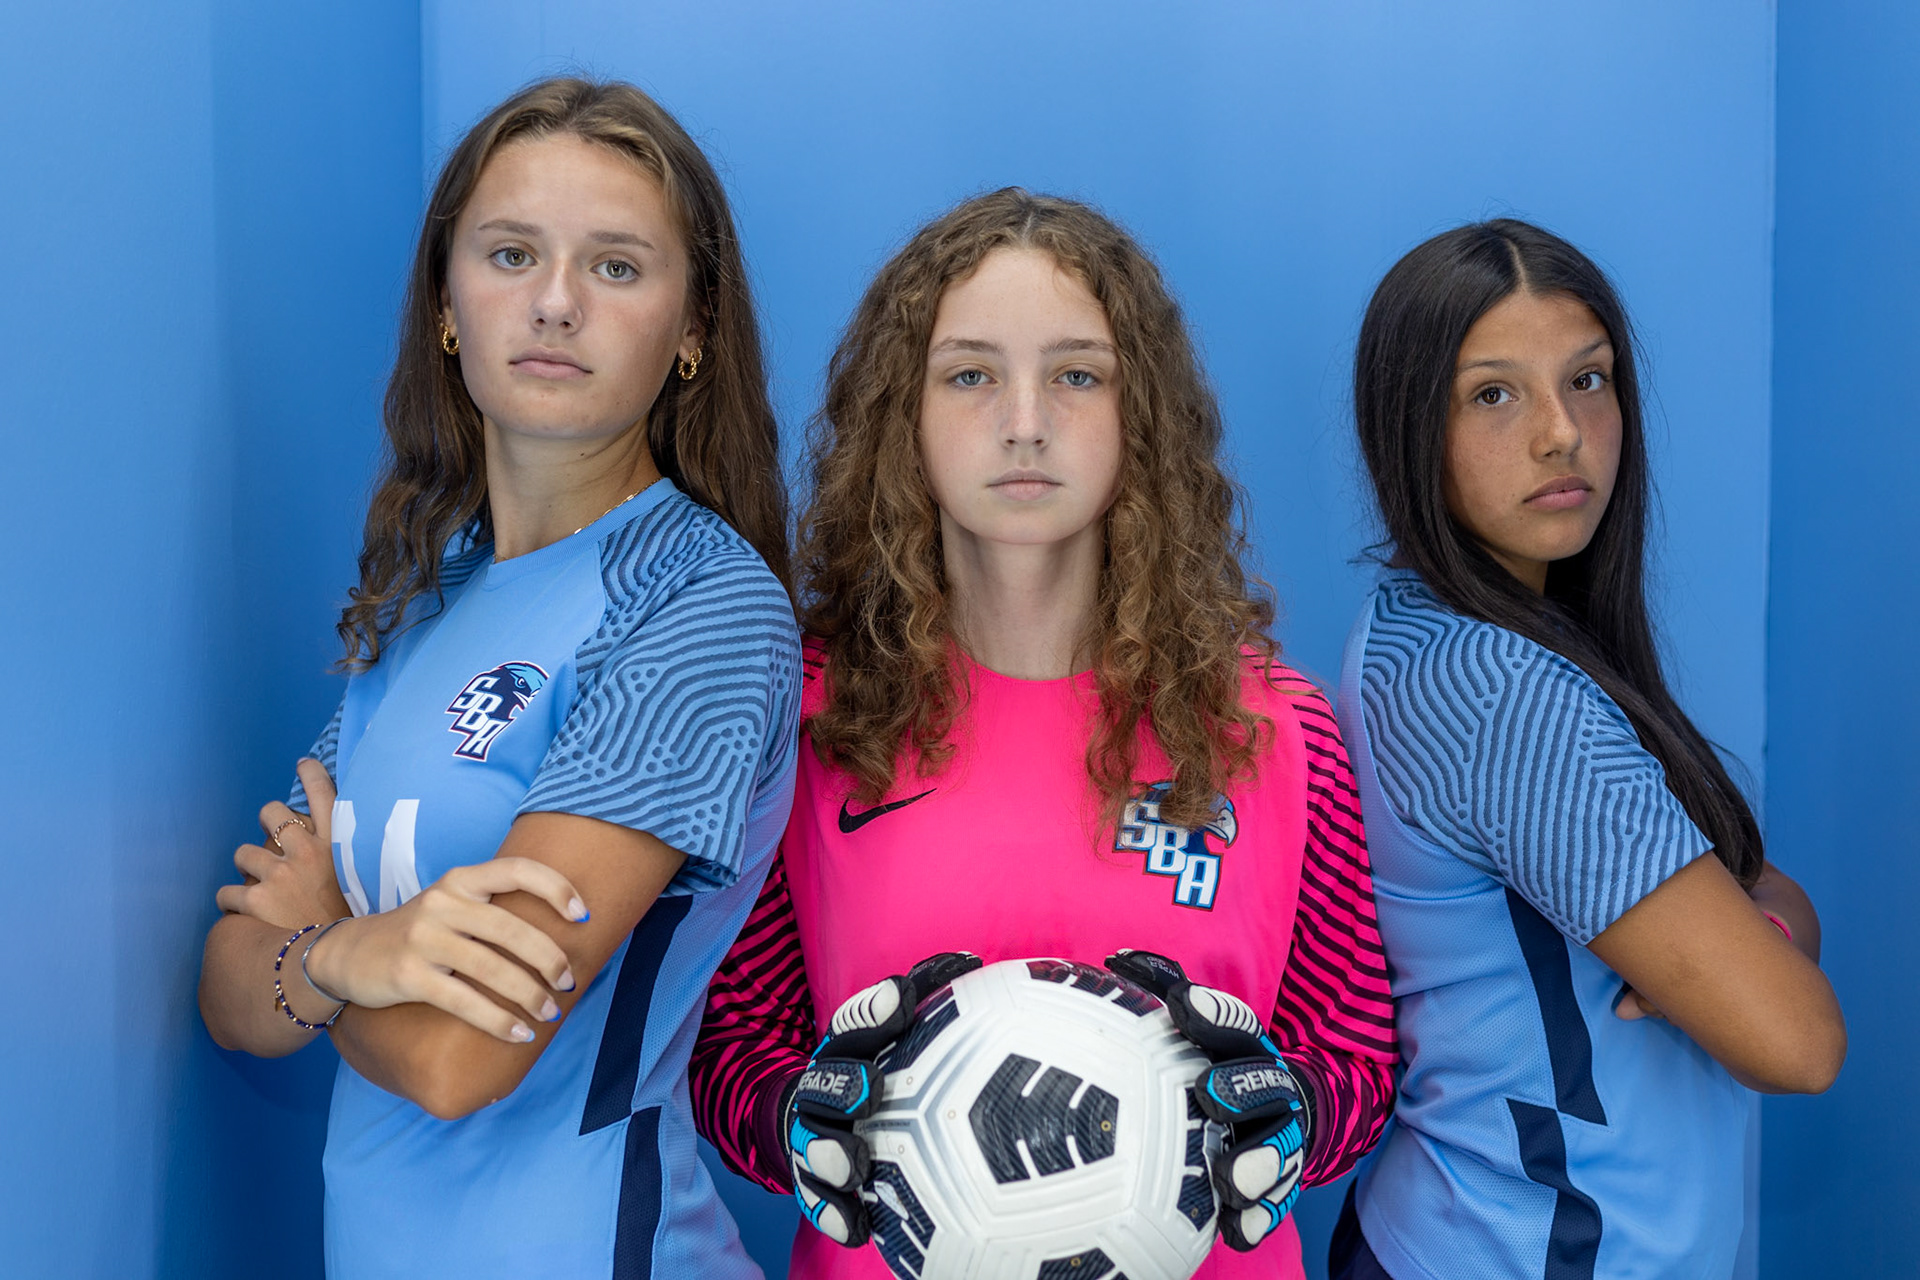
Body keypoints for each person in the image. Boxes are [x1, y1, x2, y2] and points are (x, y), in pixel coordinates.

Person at [687, 189, 1398, 1280]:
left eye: (1077, 373)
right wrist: (800, 1112)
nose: (1025, 420)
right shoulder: (807, 712)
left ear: (1139, 413)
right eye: (971, 374)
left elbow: (1355, 1055)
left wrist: (1287, 1107)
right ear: (902, 414)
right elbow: (729, 1049)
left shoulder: (1274, 723)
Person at [196, 78, 799, 1278]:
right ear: (447, 311)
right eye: (513, 252)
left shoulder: (701, 604)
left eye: (617, 266)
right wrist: (338, 954)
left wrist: (319, 950)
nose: (558, 302)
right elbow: (230, 990)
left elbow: (461, 1059)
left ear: (693, 330)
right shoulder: (425, 594)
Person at [1328, 218, 1846, 1280]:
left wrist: (1748, 918)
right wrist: (1755, 928)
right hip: (1533, 1253)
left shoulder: (1418, 628)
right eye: (1494, 393)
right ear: (1408, 426)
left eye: (1590, 379)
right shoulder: (1499, 691)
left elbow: (1765, 908)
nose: (1562, 432)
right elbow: (1797, 1040)